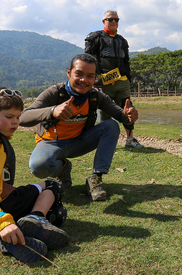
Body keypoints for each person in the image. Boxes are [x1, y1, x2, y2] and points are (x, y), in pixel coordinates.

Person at [0, 87, 70, 263]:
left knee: (57, 212)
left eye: (18, 117)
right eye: (9, 117)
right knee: (53, 187)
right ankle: (30, 222)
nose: (15, 122)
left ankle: (17, 235)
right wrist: (3, 223)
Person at [21, 54, 139, 202]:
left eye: (90, 76)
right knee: (38, 166)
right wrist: (52, 111)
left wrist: (129, 115)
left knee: (111, 126)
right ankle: (63, 168)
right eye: (79, 74)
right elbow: (23, 117)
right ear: (69, 73)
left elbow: (120, 115)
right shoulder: (54, 93)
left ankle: (96, 178)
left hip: (79, 142)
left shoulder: (95, 96)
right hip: (51, 143)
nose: (84, 80)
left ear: (95, 79)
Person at [84, 9, 143, 149]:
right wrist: (95, 80)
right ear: (104, 21)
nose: (114, 22)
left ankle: (130, 139)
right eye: (110, 19)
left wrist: (128, 79)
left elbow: (126, 62)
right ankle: (105, 141)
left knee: (128, 108)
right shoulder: (95, 38)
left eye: (116, 20)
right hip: (103, 82)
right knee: (105, 111)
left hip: (122, 82)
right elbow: (88, 60)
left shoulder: (122, 41)